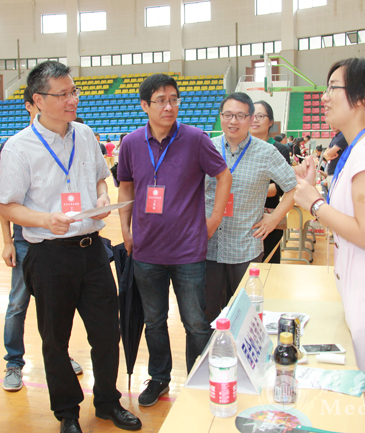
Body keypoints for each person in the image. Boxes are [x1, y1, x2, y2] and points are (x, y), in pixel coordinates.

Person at [0, 61, 141, 433]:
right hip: (49, 255)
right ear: (38, 100)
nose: (72, 100)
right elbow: (8, 206)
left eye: (73, 91)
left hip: (92, 250)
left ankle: (107, 402)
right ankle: (67, 412)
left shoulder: (86, 133)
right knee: (55, 339)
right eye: (62, 94)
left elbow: (100, 179)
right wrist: (46, 219)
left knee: (107, 331)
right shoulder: (18, 147)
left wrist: (101, 198)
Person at [293, 57, 365, 433]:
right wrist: (315, 189)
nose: (324, 97)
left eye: (332, 88)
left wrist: (314, 204)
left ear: (360, 98)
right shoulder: (357, 150)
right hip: (357, 286)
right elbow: (348, 214)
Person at [117, 73, 231, 407]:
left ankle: (198, 378)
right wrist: (125, 229)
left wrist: (213, 220)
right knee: (154, 321)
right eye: (161, 101)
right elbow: (126, 187)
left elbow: (223, 175)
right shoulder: (131, 143)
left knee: (195, 322)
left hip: (188, 251)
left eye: (173, 99)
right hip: (146, 251)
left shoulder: (195, 139)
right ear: (145, 105)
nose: (169, 107)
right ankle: (159, 378)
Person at [0, 89, 84, 393]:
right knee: (17, 303)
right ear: (33, 104)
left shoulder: (70, 140)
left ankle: (60, 355)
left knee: (57, 305)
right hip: (25, 240)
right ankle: (13, 362)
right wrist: (8, 241)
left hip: (58, 240)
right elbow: (6, 202)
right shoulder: (15, 146)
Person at [205, 92, 296, 323]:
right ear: (220, 116)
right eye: (228, 115)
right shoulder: (206, 147)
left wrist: (273, 219)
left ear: (250, 118)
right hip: (207, 246)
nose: (233, 121)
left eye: (240, 115)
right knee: (207, 317)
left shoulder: (266, 152)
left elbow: (293, 189)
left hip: (244, 248)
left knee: (244, 318)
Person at [249, 100, 290, 264]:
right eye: (251, 115)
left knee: (268, 266)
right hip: (244, 216)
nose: (255, 119)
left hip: (269, 217)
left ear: (271, 121)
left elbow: (279, 188)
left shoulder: (279, 149)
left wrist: (246, 191)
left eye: (260, 116)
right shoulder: (240, 147)